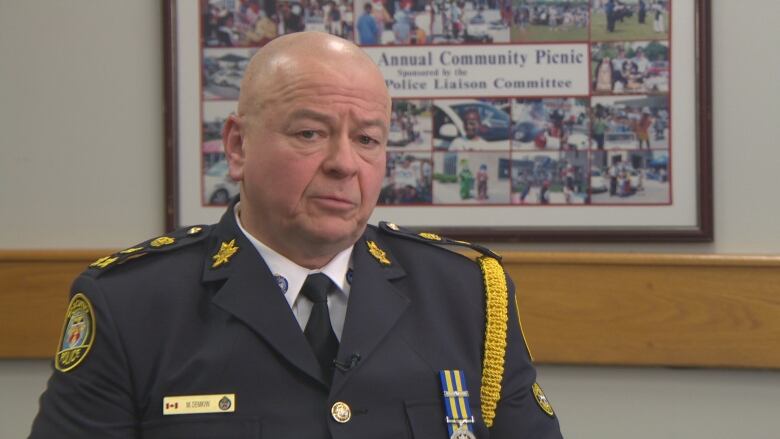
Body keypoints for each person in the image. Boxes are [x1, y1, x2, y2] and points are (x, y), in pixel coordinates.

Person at [30, 32, 562, 438]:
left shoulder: (465, 294)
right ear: (237, 146)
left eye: (368, 139)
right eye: (310, 133)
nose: (343, 164)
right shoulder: (131, 305)